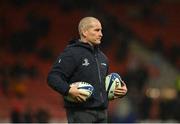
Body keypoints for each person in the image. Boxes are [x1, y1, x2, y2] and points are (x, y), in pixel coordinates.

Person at [47, 16, 128, 123]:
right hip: (81, 113)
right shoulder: (72, 53)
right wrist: (68, 90)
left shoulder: (103, 57)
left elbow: (102, 86)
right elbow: (53, 77)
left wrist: (120, 90)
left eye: (101, 30)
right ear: (84, 32)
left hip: (102, 113)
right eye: (97, 30)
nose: (101, 34)